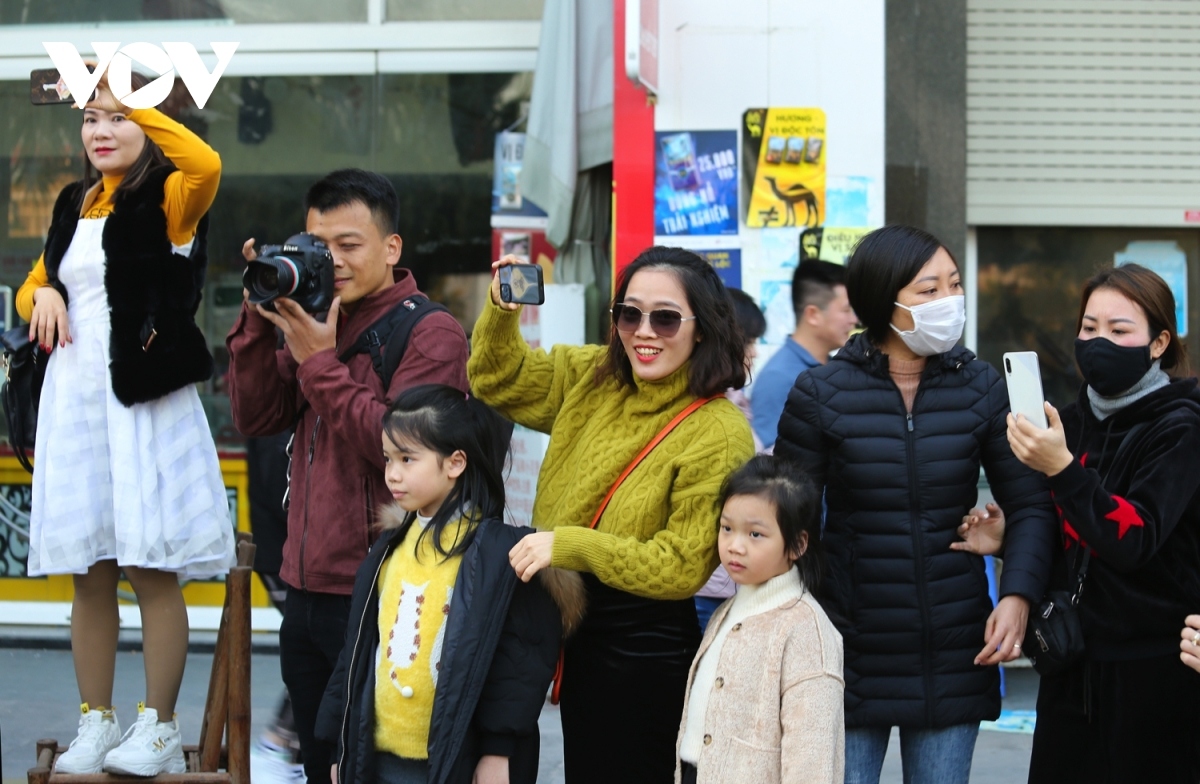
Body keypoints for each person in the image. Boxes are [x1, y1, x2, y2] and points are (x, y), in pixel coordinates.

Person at [773, 225, 1057, 784]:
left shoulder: (981, 388)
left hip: (954, 648)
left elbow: (1030, 503)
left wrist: (1019, 594)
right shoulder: (820, 393)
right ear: (884, 299)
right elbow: (786, 522)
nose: (949, 302)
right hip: (847, 649)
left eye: (954, 285)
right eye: (929, 291)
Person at [16, 70, 236, 776]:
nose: (101, 131)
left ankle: (160, 727)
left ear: (149, 125)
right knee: (89, 572)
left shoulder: (173, 197)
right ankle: (95, 723)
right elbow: (35, 279)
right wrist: (41, 293)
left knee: (150, 569)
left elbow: (207, 163)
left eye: (117, 118)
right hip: (76, 405)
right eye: (89, 118)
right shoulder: (71, 202)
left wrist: (140, 97)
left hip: (141, 404)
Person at [471, 247, 756, 783]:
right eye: (629, 313)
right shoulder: (593, 374)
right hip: (563, 625)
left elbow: (679, 566)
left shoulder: (718, 431)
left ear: (702, 328)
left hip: (641, 648)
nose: (643, 332)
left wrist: (568, 545)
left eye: (665, 317)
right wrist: (502, 311)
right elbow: (496, 380)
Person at [225, 169, 469, 782]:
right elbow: (255, 416)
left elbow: (404, 451)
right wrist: (259, 319)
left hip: (385, 591)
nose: (329, 260)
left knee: (368, 765)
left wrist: (321, 364)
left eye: (348, 245)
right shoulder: (313, 317)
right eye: (316, 244)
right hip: (304, 589)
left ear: (392, 248)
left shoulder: (429, 332)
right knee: (317, 761)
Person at [979, 264, 1200, 782]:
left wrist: (1060, 468)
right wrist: (1007, 538)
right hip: (1070, 663)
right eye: (1089, 328)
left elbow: (1134, 536)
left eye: (1120, 331)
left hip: (1156, 676)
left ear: (1159, 342)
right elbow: (1076, 539)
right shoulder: (1069, 424)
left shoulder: (1182, 425)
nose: (1099, 342)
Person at [314, 384, 574, 784]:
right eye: (387, 458)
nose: (392, 473)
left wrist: (497, 752)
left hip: (455, 762)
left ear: (454, 463)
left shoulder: (498, 556)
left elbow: (519, 665)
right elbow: (357, 655)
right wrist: (340, 747)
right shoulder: (388, 549)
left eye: (407, 458)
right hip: (378, 760)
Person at [676, 455, 844, 784]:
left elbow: (812, 761)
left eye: (755, 534)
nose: (735, 546)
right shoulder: (726, 613)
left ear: (797, 543)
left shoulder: (807, 632)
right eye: (727, 528)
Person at [694, 288, 767, 632]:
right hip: (709, 588)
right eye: (748, 340)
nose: (753, 351)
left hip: (733, 582)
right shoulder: (703, 412)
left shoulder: (735, 401)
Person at [751, 260, 857, 450]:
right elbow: (771, 465)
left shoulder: (837, 368)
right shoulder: (779, 378)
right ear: (813, 315)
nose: (853, 320)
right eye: (846, 310)